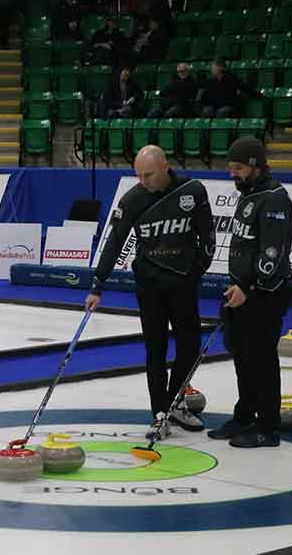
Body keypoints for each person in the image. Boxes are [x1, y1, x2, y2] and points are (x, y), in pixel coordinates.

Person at [87, 145, 215, 438]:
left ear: (165, 166)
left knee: (189, 346)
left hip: (183, 282)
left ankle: (175, 402)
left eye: (149, 174)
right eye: (139, 175)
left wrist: (198, 268)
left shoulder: (192, 191)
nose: (144, 181)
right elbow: (114, 241)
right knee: (155, 349)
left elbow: (207, 234)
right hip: (149, 285)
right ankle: (160, 413)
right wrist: (98, 283)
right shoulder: (132, 199)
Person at [208, 139, 292, 448]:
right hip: (241, 291)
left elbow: (271, 252)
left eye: (239, 168)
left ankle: (268, 427)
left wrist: (249, 286)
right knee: (242, 356)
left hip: (265, 293)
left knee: (262, 359)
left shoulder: (273, 198)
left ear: (256, 165)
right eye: (231, 168)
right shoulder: (250, 195)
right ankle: (244, 415)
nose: (234, 174)